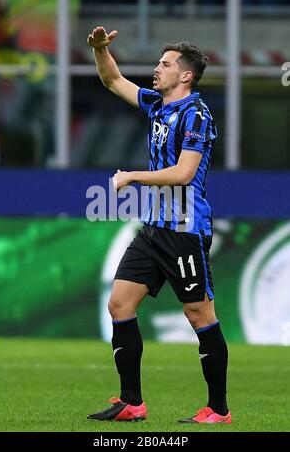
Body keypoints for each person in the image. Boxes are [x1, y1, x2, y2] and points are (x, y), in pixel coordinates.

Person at [86, 26, 231, 424]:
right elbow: (112, 79)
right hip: (153, 228)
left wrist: (132, 176)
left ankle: (219, 410)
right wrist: (100, 49)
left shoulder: (196, 114)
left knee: (199, 316)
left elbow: (185, 173)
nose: (156, 69)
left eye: (165, 64)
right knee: (119, 304)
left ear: (185, 75)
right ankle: (131, 403)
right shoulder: (156, 104)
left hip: (185, 230)